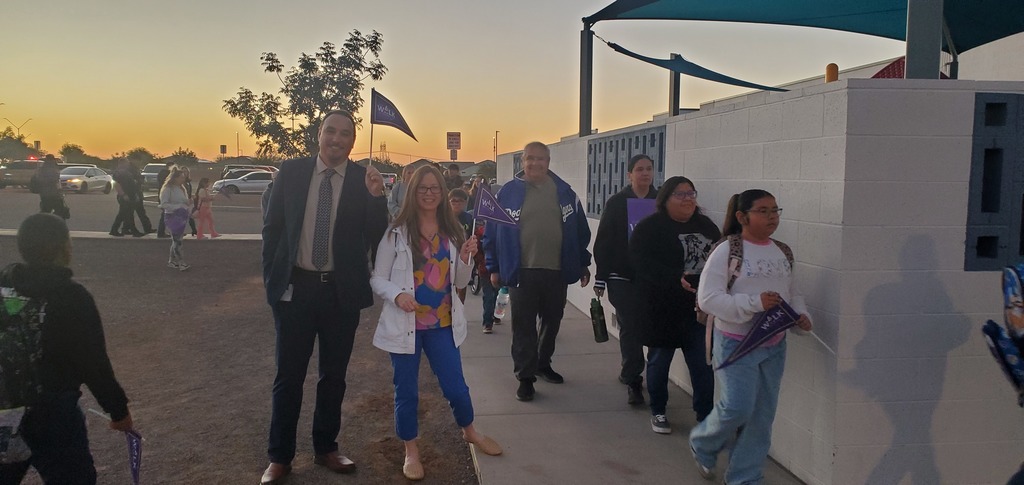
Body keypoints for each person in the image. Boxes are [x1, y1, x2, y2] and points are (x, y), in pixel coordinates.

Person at [260, 110, 389, 485]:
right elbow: (272, 229)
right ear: (319, 134)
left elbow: (378, 238)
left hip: (340, 294)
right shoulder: (292, 171)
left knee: (334, 377)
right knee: (288, 377)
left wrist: (377, 198)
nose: (336, 139)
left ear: (353, 141)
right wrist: (273, 281)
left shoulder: (363, 180)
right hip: (295, 291)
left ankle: (325, 447)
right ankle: (280, 457)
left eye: (345, 134)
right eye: (330, 131)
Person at [370, 165, 502, 481]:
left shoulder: (453, 231)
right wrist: (397, 295)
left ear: (442, 193)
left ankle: (469, 430)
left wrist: (467, 257)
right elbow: (377, 278)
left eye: (435, 188)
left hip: (442, 324)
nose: (429, 193)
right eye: (422, 188)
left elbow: (459, 281)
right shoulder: (395, 233)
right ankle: (411, 450)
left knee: (456, 388)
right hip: (406, 325)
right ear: (412, 192)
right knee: (406, 392)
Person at [689, 189, 813, 484]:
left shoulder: (782, 251)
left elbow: (792, 293)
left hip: (774, 344)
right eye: (763, 211)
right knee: (737, 407)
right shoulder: (727, 250)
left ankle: (745, 477)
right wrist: (755, 303)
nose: (772, 217)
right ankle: (703, 443)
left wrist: (801, 316)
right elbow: (708, 299)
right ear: (742, 217)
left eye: (775, 210)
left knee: (762, 416)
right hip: (736, 343)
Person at [0, 213, 133, 484]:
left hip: (4, 405)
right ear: (63, 248)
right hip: (52, 410)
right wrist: (118, 410)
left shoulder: (4, 285)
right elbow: (92, 362)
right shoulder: (72, 297)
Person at [483, 141, 591, 402]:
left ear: (548, 162)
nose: (535, 163)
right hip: (521, 271)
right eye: (530, 158)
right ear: (522, 161)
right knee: (523, 327)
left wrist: (582, 263)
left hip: (556, 271)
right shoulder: (507, 193)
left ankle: (543, 364)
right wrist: (493, 267)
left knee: (552, 321)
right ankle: (525, 377)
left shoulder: (565, 192)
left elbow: (580, 232)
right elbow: (492, 233)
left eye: (540, 159)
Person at [629, 176, 719, 435]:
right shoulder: (650, 227)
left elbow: (720, 259)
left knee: (702, 365)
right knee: (659, 361)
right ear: (665, 199)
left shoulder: (706, 226)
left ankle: (705, 416)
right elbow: (639, 262)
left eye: (691, 193)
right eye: (680, 194)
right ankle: (658, 410)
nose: (687, 199)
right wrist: (672, 278)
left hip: (698, 310)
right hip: (662, 308)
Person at [593, 154, 657, 406]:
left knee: (652, 327)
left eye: (649, 169)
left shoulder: (660, 201)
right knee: (630, 328)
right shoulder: (617, 203)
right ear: (629, 174)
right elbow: (604, 241)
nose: (645, 173)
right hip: (621, 277)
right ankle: (633, 379)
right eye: (639, 169)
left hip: (652, 279)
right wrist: (601, 277)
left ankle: (654, 375)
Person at [159, 168, 193, 271]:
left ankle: (172, 261)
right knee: (178, 240)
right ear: (175, 178)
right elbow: (163, 204)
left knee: (176, 240)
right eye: (181, 177)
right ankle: (181, 262)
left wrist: (187, 203)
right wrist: (178, 207)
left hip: (181, 215)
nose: (183, 179)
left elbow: (183, 201)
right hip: (172, 215)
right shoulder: (167, 189)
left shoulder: (181, 188)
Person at [449, 188, 473, 303]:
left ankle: (460, 305)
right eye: (453, 201)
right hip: (448, 253)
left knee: (462, 284)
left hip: (463, 253)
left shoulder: (468, 218)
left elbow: (471, 234)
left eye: (460, 201)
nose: (457, 204)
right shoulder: (444, 218)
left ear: (465, 203)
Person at [109, 159, 145, 237]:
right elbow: (116, 184)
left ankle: (116, 230)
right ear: (122, 163)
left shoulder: (126, 172)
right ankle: (133, 231)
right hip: (125, 196)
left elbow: (132, 184)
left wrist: (135, 194)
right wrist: (123, 194)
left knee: (125, 214)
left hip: (131, 195)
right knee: (126, 214)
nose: (128, 164)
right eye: (126, 163)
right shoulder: (118, 173)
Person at [34, 155, 67, 219]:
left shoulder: (42, 168)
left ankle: (43, 221)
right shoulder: (54, 168)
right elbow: (56, 180)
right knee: (59, 209)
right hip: (54, 192)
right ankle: (57, 221)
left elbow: (38, 179)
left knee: (45, 209)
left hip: (44, 193)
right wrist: (60, 191)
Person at [127, 163, 154, 234]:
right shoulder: (131, 171)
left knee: (140, 212)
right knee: (131, 213)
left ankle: (147, 228)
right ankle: (130, 229)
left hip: (137, 192)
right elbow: (133, 184)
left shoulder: (135, 170)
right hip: (133, 194)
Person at [156, 161, 176, 238]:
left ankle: (162, 232)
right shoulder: (167, 174)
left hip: (162, 195)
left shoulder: (161, 174)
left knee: (166, 214)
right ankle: (161, 232)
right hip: (166, 196)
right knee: (165, 214)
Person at [181, 166, 198, 238]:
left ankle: (194, 230)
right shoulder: (181, 182)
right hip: (182, 201)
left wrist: (191, 198)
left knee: (190, 216)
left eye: (186, 171)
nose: (185, 173)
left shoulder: (188, 182)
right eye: (183, 171)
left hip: (188, 201)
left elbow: (189, 192)